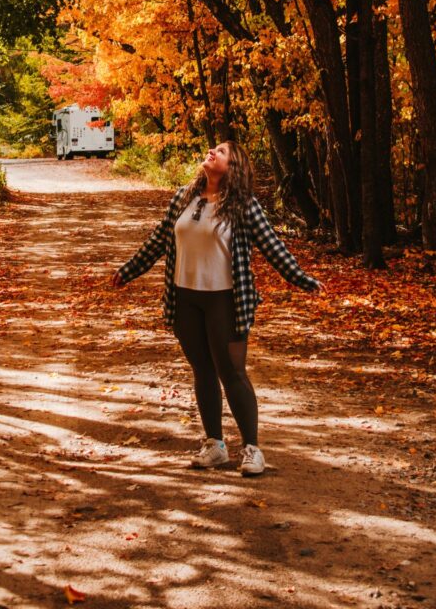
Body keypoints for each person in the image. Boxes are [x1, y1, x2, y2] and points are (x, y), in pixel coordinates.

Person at [112, 140, 323, 476]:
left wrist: (301, 279)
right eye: (215, 148)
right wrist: (129, 271)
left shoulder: (243, 205)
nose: (213, 151)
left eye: (222, 151)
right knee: (203, 369)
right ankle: (215, 445)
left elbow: (272, 246)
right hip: (185, 299)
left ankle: (252, 449)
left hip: (226, 300)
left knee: (232, 372)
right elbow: (158, 240)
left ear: (233, 167)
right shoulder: (184, 196)